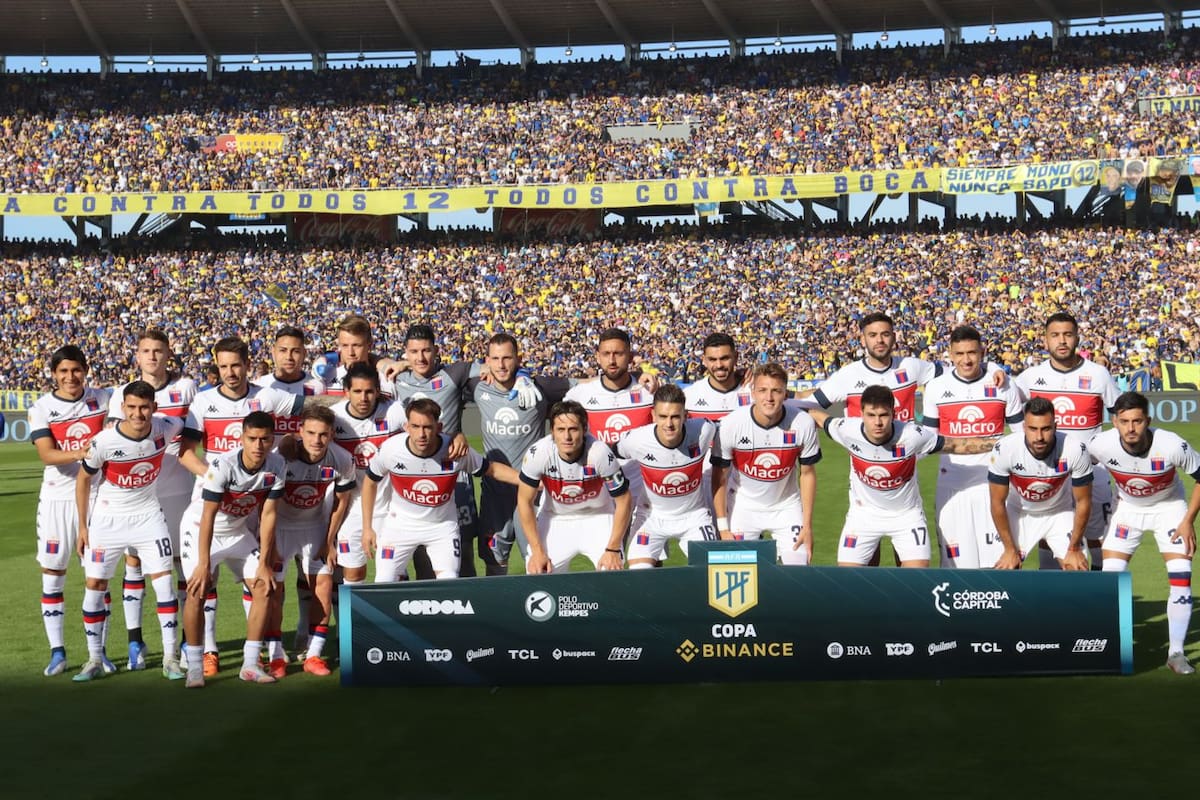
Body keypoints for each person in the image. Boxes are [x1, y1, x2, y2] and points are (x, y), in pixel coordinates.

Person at [179, 336, 303, 677]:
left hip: (251, 504)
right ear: (216, 367)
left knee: (261, 580)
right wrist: (217, 478)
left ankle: (258, 656)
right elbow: (186, 453)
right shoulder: (202, 402)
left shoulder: (267, 395)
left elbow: (318, 407)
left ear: (249, 364)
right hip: (211, 503)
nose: (230, 372)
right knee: (203, 583)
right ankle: (207, 653)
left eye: (236, 365)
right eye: (223, 366)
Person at [808, 385, 999, 567]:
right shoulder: (846, 429)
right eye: (871, 415)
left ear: (894, 414)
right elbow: (816, 415)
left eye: (884, 415)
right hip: (863, 515)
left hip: (906, 516)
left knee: (915, 581)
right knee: (847, 582)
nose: (878, 422)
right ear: (861, 414)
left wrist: (1000, 444)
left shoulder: (912, 435)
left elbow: (956, 445)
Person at [73, 381, 185, 681]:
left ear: (154, 408)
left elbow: (191, 429)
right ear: (122, 408)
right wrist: (83, 527)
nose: (138, 414)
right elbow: (83, 480)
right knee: (95, 585)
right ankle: (94, 659)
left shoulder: (167, 427)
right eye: (132, 407)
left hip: (149, 517)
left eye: (144, 407)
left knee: (164, 584)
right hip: (108, 520)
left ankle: (171, 657)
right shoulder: (104, 442)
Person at [1088, 392, 1200, 675]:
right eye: (1124, 421)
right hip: (1127, 510)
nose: (1130, 428)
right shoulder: (1101, 444)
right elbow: (1077, 468)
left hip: (1170, 509)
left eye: (1137, 421)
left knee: (1181, 577)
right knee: (1110, 577)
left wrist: (1188, 521)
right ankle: (1109, 646)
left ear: (1147, 420)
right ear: (1115, 422)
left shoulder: (1172, 444)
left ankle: (1175, 653)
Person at [107, 327, 197, 670]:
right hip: (139, 495)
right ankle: (135, 642)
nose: (153, 357)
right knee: (135, 565)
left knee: (181, 566)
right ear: (138, 355)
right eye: (146, 351)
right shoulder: (123, 394)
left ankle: (189, 642)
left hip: (178, 490)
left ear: (167, 353)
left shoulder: (185, 387)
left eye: (159, 351)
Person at [180, 411, 287, 688]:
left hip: (238, 532)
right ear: (242, 438)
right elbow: (208, 516)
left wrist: (264, 560)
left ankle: (250, 664)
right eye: (252, 438)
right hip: (201, 528)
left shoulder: (277, 465)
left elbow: (269, 515)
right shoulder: (222, 465)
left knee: (264, 585)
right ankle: (194, 667)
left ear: (272, 440)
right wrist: (204, 563)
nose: (258, 445)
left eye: (264, 439)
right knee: (197, 589)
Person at [360, 398, 519, 581]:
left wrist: (527, 480)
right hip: (399, 526)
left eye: (427, 427)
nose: (421, 434)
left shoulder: (455, 451)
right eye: (415, 426)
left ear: (439, 427)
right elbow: (370, 482)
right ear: (406, 427)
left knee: (449, 581)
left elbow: (492, 469)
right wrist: (367, 528)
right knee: (384, 582)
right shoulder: (391, 449)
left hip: (441, 527)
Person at [1013, 312, 1120, 571]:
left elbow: (1119, 414)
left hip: (1092, 472)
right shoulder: (1030, 377)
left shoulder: (1098, 375)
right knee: (1049, 537)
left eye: (1068, 335)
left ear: (1077, 338)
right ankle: (1053, 602)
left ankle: (1100, 599)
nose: (1062, 341)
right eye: (1055, 335)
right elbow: (1009, 405)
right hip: (1049, 475)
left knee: (1099, 539)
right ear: (1045, 340)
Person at [29, 345, 112, 676]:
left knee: (98, 577)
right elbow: (47, 455)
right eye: (63, 371)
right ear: (53, 375)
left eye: (75, 370)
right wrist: (85, 451)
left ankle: (99, 652)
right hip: (56, 500)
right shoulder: (42, 408)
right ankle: (57, 652)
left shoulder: (104, 399)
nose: (70, 377)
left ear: (86, 370)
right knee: (53, 574)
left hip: (97, 499)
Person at [921, 325, 1024, 569]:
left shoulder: (1003, 385)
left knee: (1001, 562)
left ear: (982, 352)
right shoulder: (936, 388)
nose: (966, 360)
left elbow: (1021, 437)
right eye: (959, 354)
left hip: (994, 485)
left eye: (972, 353)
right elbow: (929, 442)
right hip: (952, 486)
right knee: (956, 565)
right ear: (950, 355)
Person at [469, 333, 570, 575]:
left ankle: (541, 610)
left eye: (507, 358)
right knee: (494, 562)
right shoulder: (476, 387)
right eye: (495, 358)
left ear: (518, 359)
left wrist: (640, 378)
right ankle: (498, 611)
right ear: (487, 361)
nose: (501, 365)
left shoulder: (540, 387)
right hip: (495, 493)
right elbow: (436, 373)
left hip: (533, 491)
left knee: (538, 560)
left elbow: (587, 385)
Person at [253, 325, 325, 659]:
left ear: (304, 353)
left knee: (308, 566)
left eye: (296, 350)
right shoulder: (262, 388)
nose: (289, 356)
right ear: (273, 351)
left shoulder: (316, 386)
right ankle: (271, 640)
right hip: (272, 490)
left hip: (310, 487)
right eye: (283, 350)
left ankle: (302, 628)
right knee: (271, 566)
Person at [272, 404, 356, 677]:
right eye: (310, 433)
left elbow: (341, 502)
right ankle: (275, 656)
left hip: (314, 525)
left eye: (323, 434)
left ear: (332, 434)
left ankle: (314, 654)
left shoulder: (341, 458)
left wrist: (329, 540)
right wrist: (269, 542)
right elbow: (266, 504)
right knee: (273, 589)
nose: (316, 440)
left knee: (323, 584)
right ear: (300, 432)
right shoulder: (282, 458)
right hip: (282, 526)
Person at [711, 363, 821, 565]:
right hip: (742, 506)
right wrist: (723, 527)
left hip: (786, 505)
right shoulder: (731, 424)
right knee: (737, 576)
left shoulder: (803, 423)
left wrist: (807, 525)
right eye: (762, 390)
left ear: (785, 394)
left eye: (776, 391)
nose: (769, 398)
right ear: (752, 392)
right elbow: (720, 476)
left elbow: (807, 474)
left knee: (798, 570)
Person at [564, 329, 658, 543]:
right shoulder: (580, 396)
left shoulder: (649, 391)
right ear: (598, 356)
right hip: (600, 493)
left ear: (630, 356)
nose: (612, 360)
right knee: (606, 562)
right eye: (606, 354)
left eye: (619, 353)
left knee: (647, 564)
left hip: (642, 490)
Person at [518, 401, 632, 573]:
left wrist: (613, 549)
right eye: (561, 430)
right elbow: (524, 501)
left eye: (573, 429)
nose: (567, 437)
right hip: (555, 517)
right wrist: (537, 551)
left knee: (612, 572)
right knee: (538, 573)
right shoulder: (538, 453)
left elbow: (624, 500)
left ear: (584, 429)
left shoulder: (600, 453)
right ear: (552, 432)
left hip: (598, 516)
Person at [614, 384, 717, 569]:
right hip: (651, 517)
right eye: (663, 416)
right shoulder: (636, 440)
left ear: (686, 415)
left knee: (710, 573)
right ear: (653, 415)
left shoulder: (704, 429)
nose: (669, 424)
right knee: (640, 574)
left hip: (694, 516)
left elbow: (732, 431)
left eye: (675, 417)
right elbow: (608, 453)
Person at [988, 398, 1094, 570]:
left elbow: (1084, 501)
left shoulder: (1075, 449)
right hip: (1019, 512)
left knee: (1077, 570)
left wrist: (1074, 548)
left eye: (1046, 429)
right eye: (1032, 429)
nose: (1039, 437)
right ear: (1024, 427)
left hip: (1059, 512)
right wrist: (1009, 549)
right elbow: (997, 502)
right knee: (1004, 571)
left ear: (1055, 426)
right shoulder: (1005, 449)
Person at [328, 363, 401, 586]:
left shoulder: (395, 411)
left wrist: (455, 437)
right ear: (346, 392)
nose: (364, 398)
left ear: (378, 391)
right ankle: (354, 622)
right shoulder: (335, 418)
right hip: (351, 511)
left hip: (390, 510)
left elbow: (424, 426)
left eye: (369, 391)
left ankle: (392, 621)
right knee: (352, 575)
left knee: (391, 577)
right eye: (357, 391)